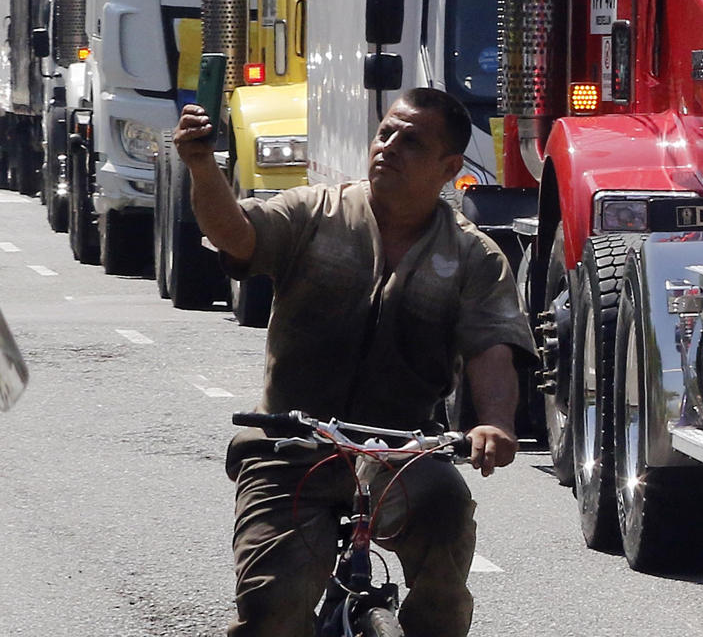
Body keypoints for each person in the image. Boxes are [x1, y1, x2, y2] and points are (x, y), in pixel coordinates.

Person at [173, 86, 535, 637]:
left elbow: (491, 349)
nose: (389, 146)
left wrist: (495, 423)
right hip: (291, 447)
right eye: (386, 132)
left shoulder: (472, 256)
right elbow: (236, 236)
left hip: (403, 452)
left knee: (447, 518)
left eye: (411, 142)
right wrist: (201, 166)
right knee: (273, 606)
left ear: (449, 166)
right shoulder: (314, 212)